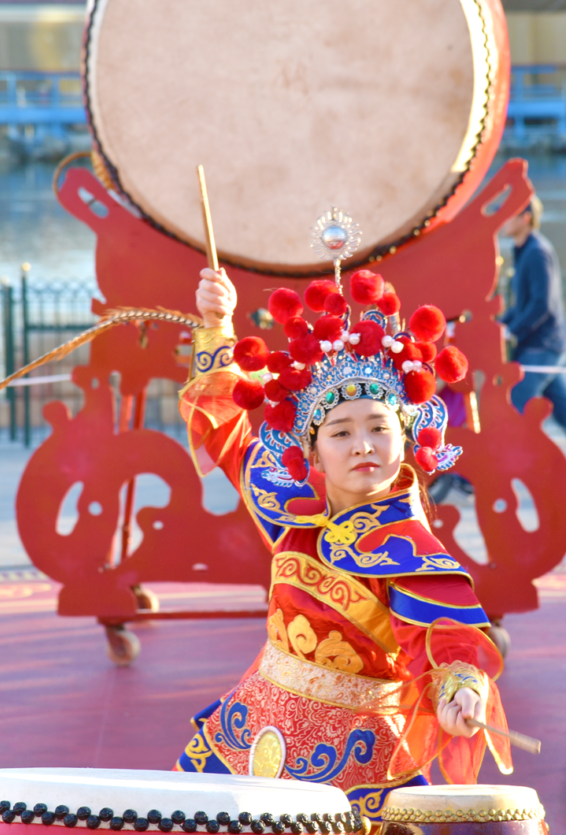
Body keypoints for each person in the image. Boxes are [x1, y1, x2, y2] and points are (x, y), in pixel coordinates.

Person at [174, 265, 512, 827]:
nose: (363, 446)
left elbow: (445, 636)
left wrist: (460, 689)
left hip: (356, 765)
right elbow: (227, 429)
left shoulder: (411, 550)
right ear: (313, 449)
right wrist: (217, 326)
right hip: (248, 732)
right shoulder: (291, 509)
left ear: (406, 435)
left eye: (379, 427)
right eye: (340, 432)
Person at [501, 194, 566, 429]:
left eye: (510, 214)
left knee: (514, 413)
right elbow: (521, 307)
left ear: (525, 219)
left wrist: (512, 332)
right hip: (539, 347)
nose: (503, 220)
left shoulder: (538, 253)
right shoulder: (524, 251)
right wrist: (499, 325)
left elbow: (543, 305)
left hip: (542, 348)